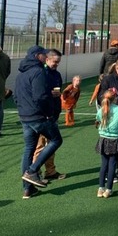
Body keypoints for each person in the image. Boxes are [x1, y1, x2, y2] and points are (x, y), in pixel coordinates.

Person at [14, 45, 63, 198]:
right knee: (56, 140)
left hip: (25, 116)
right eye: (43, 54)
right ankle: (32, 171)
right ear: (37, 56)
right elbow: (41, 97)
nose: (45, 56)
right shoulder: (38, 72)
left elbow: (16, 96)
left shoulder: (21, 74)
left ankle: (27, 189)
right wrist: (48, 113)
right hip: (38, 116)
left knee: (29, 149)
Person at [32, 49, 66, 184]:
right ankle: (35, 172)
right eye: (55, 62)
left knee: (52, 144)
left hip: (54, 113)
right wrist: (50, 94)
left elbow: (58, 88)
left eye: (58, 62)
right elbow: (40, 94)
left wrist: (58, 93)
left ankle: (50, 171)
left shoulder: (56, 74)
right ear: (47, 59)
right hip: (44, 115)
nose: (56, 64)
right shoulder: (42, 74)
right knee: (40, 145)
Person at [95, 88, 118, 199]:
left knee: (104, 165)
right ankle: (109, 189)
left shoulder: (101, 110)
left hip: (103, 139)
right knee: (112, 164)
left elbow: (98, 119)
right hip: (115, 139)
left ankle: (100, 188)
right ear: (116, 98)